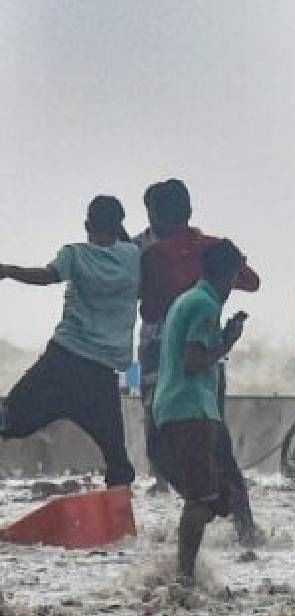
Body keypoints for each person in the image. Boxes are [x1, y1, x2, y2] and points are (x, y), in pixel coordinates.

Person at [138, 179, 261, 544]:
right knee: (216, 440)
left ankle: (199, 509)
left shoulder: (152, 254)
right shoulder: (211, 249)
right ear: (189, 211)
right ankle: (243, 528)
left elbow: (148, 308)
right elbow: (252, 281)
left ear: (155, 215)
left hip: (164, 355)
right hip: (208, 362)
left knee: (162, 443)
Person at [0, 196, 139, 487]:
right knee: (117, 461)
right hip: (100, 377)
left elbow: (46, 276)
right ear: (119, 224)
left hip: (62, 362)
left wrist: (9, 271)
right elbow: (126, 245)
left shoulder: (75, 254)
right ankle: (118, 526)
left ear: (87, 224)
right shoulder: (133, 257)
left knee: (10, 420)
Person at [152, 239, 249, 582]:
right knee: (201, 499)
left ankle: (181, 572)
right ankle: (184, 578)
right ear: (231, 274)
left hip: (174, 409)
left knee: (214, 497)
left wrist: (223, 340)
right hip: (190, 411)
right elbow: (193, 361)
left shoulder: (188, 299)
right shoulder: (206, 306)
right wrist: (226, 344)